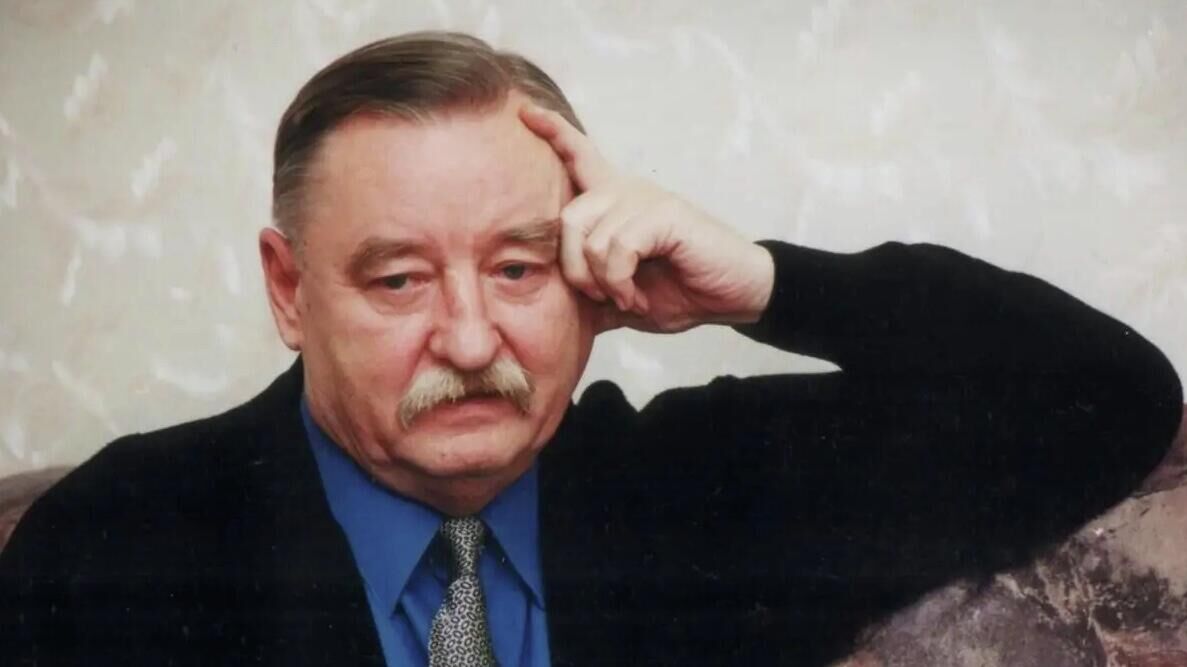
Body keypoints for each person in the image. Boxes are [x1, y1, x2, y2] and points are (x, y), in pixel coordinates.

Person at [1, 31, 1181, 667]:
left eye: (517, 268)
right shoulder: (114, 542)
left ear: (585, 270)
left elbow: (1107, 399)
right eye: (399, 279)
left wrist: (764, 283)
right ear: (288, 290)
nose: (470, 338)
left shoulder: (703, 490)